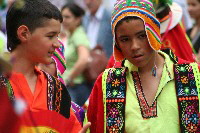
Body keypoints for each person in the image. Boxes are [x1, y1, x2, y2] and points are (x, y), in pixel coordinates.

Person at [85, 0, 200, 132]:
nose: (134, 46)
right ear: (116, 43)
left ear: (155, 33)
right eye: (125, 39)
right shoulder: (107, 83)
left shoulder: (191, 75)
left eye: (142, 36)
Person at [0, 0, 90, 132]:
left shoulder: (56, 89)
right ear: (24, 33)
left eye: (58, 36)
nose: (57, 44)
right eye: (50, 36)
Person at [61, 3, 91, 106]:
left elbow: (84, 59)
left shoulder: (79, 35)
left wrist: (69, 79)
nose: (64, 20)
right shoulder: (71, 35)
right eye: (62, 17)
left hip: (76, 88)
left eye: (67, 17)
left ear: (78, 19)